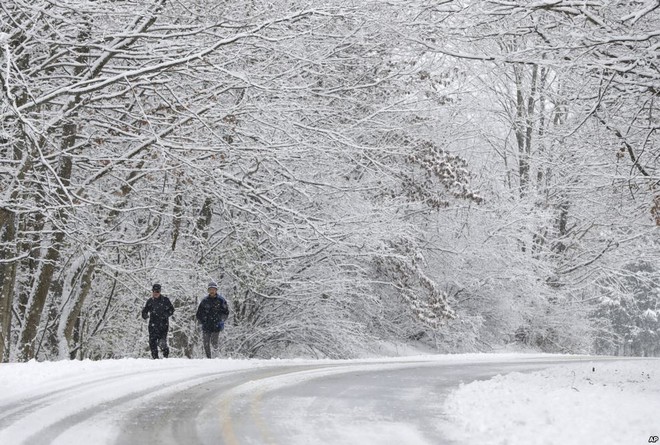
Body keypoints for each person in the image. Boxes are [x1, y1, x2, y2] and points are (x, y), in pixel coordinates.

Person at [196, 281, 229, 358]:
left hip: (216, 325)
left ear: (216, 290)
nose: (212, 291)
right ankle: (209, 358)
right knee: (206, 343)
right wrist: (201, 321)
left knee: (214, 342)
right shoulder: (204, 301)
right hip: (206, 326)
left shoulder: (221, 300)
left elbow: (226, 312)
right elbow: (198, 313)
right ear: (208, 290)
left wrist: (221, 320)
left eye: (213, 289)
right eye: (210, 289)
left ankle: (215, 357)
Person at [141, 283, 175, 359]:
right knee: (152, 342)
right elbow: (145, 310)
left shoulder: (165, 300)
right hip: (152, 324)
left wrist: (165, 315)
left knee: (161, 342)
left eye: (157, 292)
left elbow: (171, 310)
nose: (155, 293)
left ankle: (165, 355)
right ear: (152, 292)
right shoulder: (150, 301)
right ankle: (155, 358)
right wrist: (145, 315)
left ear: (160, 292)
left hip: (163, 325)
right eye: (154, 291)